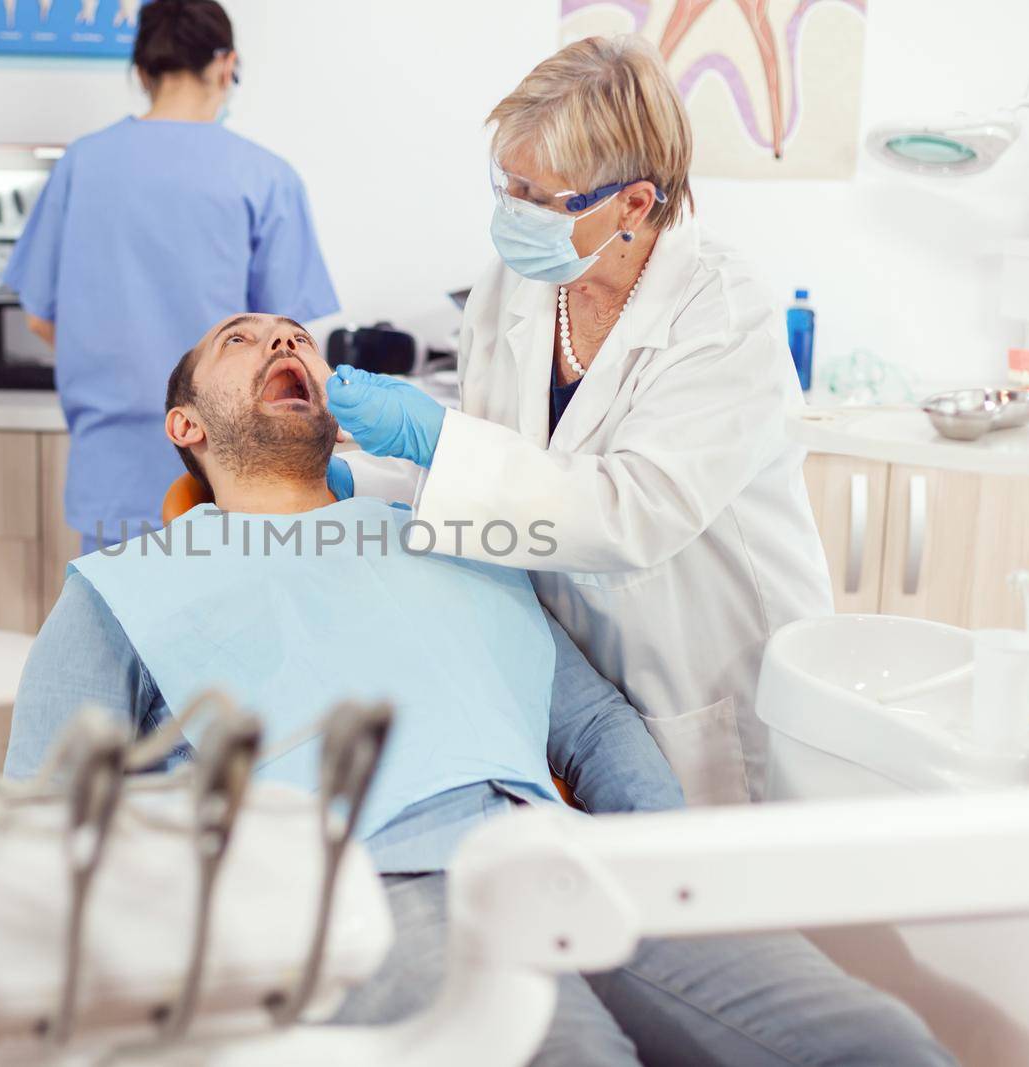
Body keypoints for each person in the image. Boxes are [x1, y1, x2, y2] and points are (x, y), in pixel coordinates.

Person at [5, 313, 952, 1067]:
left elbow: (591, 726)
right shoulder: (127, 586)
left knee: (878, 1042)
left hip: (555, 855)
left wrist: (669, 870)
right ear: (187, 426)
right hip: (358, 890)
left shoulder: (445, 532)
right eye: (240, 340)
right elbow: (37, 825)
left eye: (293, 332)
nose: (284, 340)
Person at [323, 35, 833, 807]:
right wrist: (355, 474)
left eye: (542, 198)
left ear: (635, 202)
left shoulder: (722, 315)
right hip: (581, 684)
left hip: (709, 682)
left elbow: (630, 512)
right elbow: (495, 462)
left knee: (711, 902)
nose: (514, 214)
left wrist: (435, 437)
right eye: (507, 184)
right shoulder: (519, 282)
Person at [2, 0, 338, 552]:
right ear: (227, 66)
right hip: (230, 471)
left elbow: (41, 317)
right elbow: (286, 346)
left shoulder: (82, 164)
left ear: (141, 72)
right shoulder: (264, 177)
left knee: (116, 626)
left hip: (111, 469)